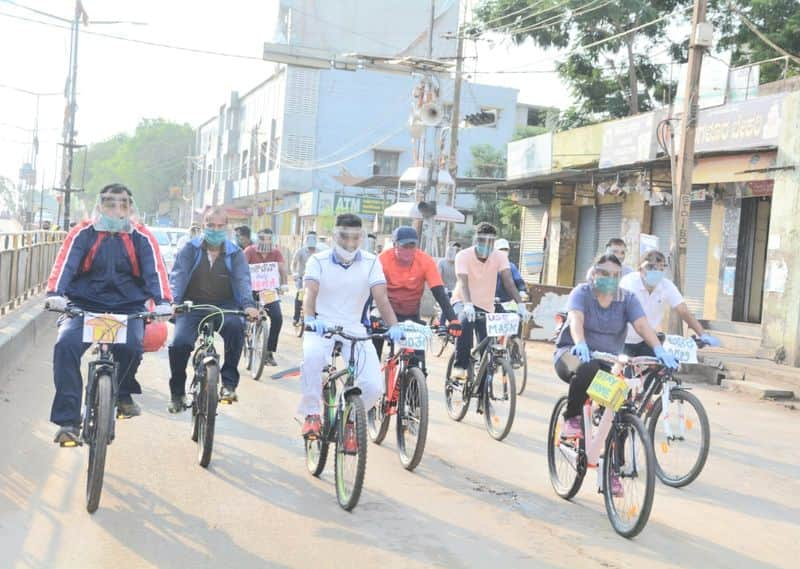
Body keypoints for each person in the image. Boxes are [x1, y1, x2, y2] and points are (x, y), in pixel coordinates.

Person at [45, 183, 173, 445]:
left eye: (123, 204)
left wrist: (162, 302)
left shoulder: (141, 236)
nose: (116, 209)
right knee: (65, 345)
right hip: (84, 306)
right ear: (100, 206)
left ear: (130, 208)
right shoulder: (83, 233)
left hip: (128, 308)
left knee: (131, 349)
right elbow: (65, 264)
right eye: (110, 203)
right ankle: (68, 421)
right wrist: (55, 294)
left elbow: (155, 271)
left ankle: (123, 393)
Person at [300, 213, 403, 440]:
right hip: (322, 324)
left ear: (362, 237)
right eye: (344, 237)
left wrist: (393, 326)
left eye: (355, 238)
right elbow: (311, 292)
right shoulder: (318, 261)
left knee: (373, 386)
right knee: (313, 358)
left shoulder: (371, 261)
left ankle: (351, 421)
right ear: (335, 236)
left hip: (355, 326)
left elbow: (381, 298)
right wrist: (309, 318)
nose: (350, 243)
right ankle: (312, 414)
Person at [554, 254, 679, 438]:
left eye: (615, 275)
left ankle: (616, 462)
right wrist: (580, 343)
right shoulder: (582, 292)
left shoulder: (627, 299)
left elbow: (642, 325)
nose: (610, 279)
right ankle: (572, 417)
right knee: (588, 367)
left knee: (621, 407)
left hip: (607, 362)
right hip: (571, 356)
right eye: (604, 273)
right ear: (594, 273)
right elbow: (576, 319)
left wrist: (659, 349)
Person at [168, 207, 259, 411]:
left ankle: (228, 384)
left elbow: (243, 280)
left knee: (236, 328)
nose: (215, 230)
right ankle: (177, 393)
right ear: (203, 226)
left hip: (225, 306)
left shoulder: (235, 253)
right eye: (211, 225)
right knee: (179, 344)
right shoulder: (189, 249)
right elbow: (178, 276)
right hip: (192, 305)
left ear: (226, 227)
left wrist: (248, 305)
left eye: (220, 226)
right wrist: (174, 301)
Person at [372, 226, 461, 371]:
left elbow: (439, 292)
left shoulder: (425, 261)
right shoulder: (382, 260)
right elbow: (372, 291)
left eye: (412, 245)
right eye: (404, 246)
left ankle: (416, 383)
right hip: (385, 310)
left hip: (411, 313)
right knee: (373, 348)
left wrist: (453, 319)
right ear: (394, 244)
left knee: (417, 361)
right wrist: (371, 314)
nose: (408, 250)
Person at [450, 223, 530, 379]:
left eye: (490, 242)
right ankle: (460, 365)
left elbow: (509, 282)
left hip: (487, 305)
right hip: (462, 301)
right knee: (465, 322)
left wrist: (521, 305)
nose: (486, 246)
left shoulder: (499, 257)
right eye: (482, 241)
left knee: (487, 348)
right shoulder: (463, 256)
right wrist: (468, 304)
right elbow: (463, 282)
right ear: (476, 241)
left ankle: (483, 394)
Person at [620, 249, 720, 356]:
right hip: (621, 339)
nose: (657, 272)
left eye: (661, 269)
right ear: (640, 269)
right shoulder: (629, 283)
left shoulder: (666, 286)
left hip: (647, 339)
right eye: (652, 268)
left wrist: (702, 334)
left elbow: (683, 311)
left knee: (661, 368)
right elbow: (638, 323)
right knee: (615, 371)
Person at [244, 228, 289, 366]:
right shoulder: (249, 251)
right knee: (241, 315)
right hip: (250, 289)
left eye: (268, 239)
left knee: (277, 317)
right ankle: (245, 336)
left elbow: (282, 268)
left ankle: (269, 351)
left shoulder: (276, 252)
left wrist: (284, 283)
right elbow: (241, 268)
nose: (265, 241)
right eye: (262, 238)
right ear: (258, 239)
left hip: (267, 291)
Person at [291, 231, 320, 326]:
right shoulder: (301, 251)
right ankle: (296, 317)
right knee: (300, 296)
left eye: (314, 239)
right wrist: (294, 273)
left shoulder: (319, 252)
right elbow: (293, 264)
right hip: (301, 278)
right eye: (309, 239)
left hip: (315, 279)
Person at [494, 238, 527, 303]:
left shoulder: (511, 266)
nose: (503, 252)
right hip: (491, 302)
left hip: (507, 302)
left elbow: (519, 281)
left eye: (506, 250)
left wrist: (522, 290)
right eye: (501, 250)